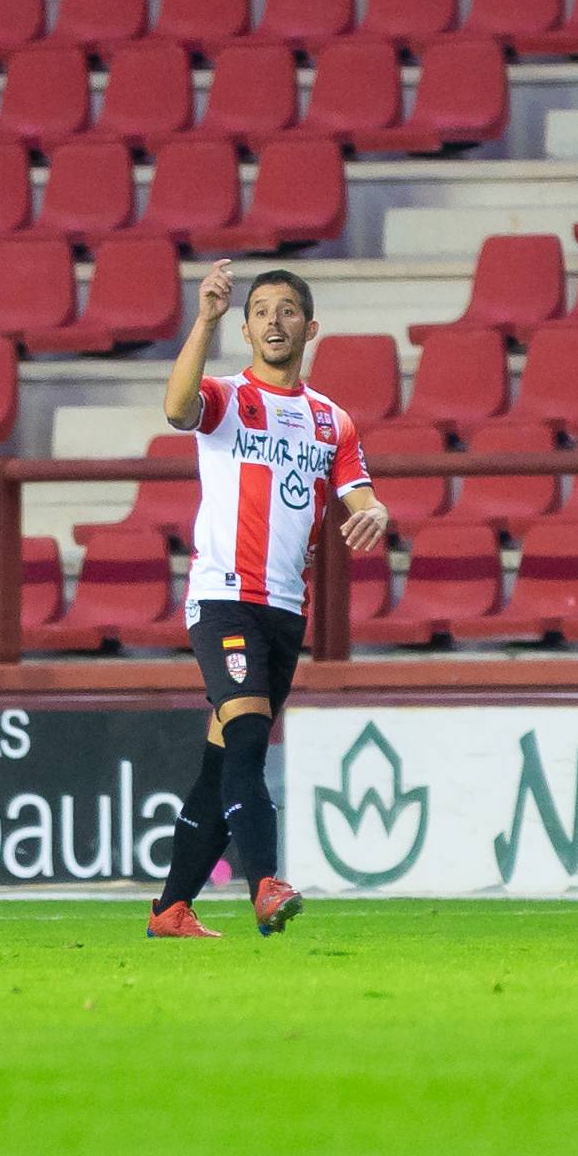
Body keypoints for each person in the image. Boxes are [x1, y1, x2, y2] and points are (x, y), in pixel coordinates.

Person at [146, 263, 388, 940]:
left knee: (224, 760)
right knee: (251, 734)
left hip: (286, 608)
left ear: (309, 329)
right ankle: (264, 885)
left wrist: (374, 510)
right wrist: (203, 320)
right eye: (260, 311)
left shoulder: (330, 421)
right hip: (223, 597)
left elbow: (357, 491)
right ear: (245, 325)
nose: (272, 321)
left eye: (286, 311)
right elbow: (174, 409)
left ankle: (170, 908)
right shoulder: (226, 399)